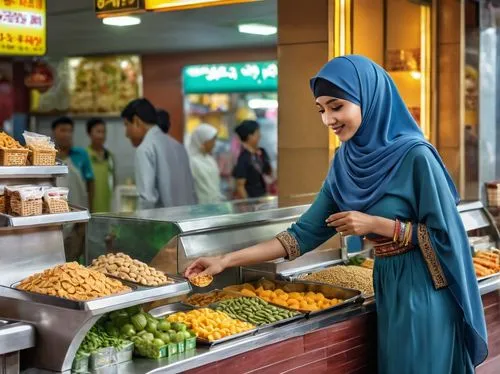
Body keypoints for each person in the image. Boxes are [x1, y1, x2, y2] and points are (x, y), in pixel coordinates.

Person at [185, 56, 488, 374]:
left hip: (424, 288)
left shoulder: (416, 156)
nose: (328, 119)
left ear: (369, 99)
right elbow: (300, 236)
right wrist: (225, 260)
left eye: (337, 106)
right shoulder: (344, 162)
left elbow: (447, 235)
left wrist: (375, 224)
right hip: (387, 283)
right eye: (321, 110)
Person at [121, 98, 196, 209]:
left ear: (137, 121)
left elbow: (147, 200)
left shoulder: (145, 149)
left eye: (127, 125)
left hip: (164, 224)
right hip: (187, 221)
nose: (126, 133)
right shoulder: (179, 146)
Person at [52, 116, 94, 210]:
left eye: (70, 131)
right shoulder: (48, 157)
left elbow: (90, 183)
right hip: (55, 210)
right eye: (63, 130)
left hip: (79, 210)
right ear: (54, 132)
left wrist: (90, 210)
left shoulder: (81, 155)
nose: (67, 134)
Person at [232, 120, 273, 199]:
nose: (260, 136)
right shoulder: (243, 158)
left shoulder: (261, 153)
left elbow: (269, 172)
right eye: (257, 133)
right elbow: (240, 186)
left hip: (264, 197)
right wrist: (249, 204)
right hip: (253, 201)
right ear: (249, 136)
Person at [188, 124, 224, 204]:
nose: (214, 144)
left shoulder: (210, 160)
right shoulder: (192, 162)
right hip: (200, 207)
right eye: (212, 140)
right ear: (202, 140)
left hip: (215, 205)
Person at [86, 118, 115, 213]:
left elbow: (113, 182)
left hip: (108, 209)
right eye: (98, 131)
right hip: (90, 208)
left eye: (103, 132)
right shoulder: (85, 155)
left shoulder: (109, 156)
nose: (101, 135)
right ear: (89, 133)